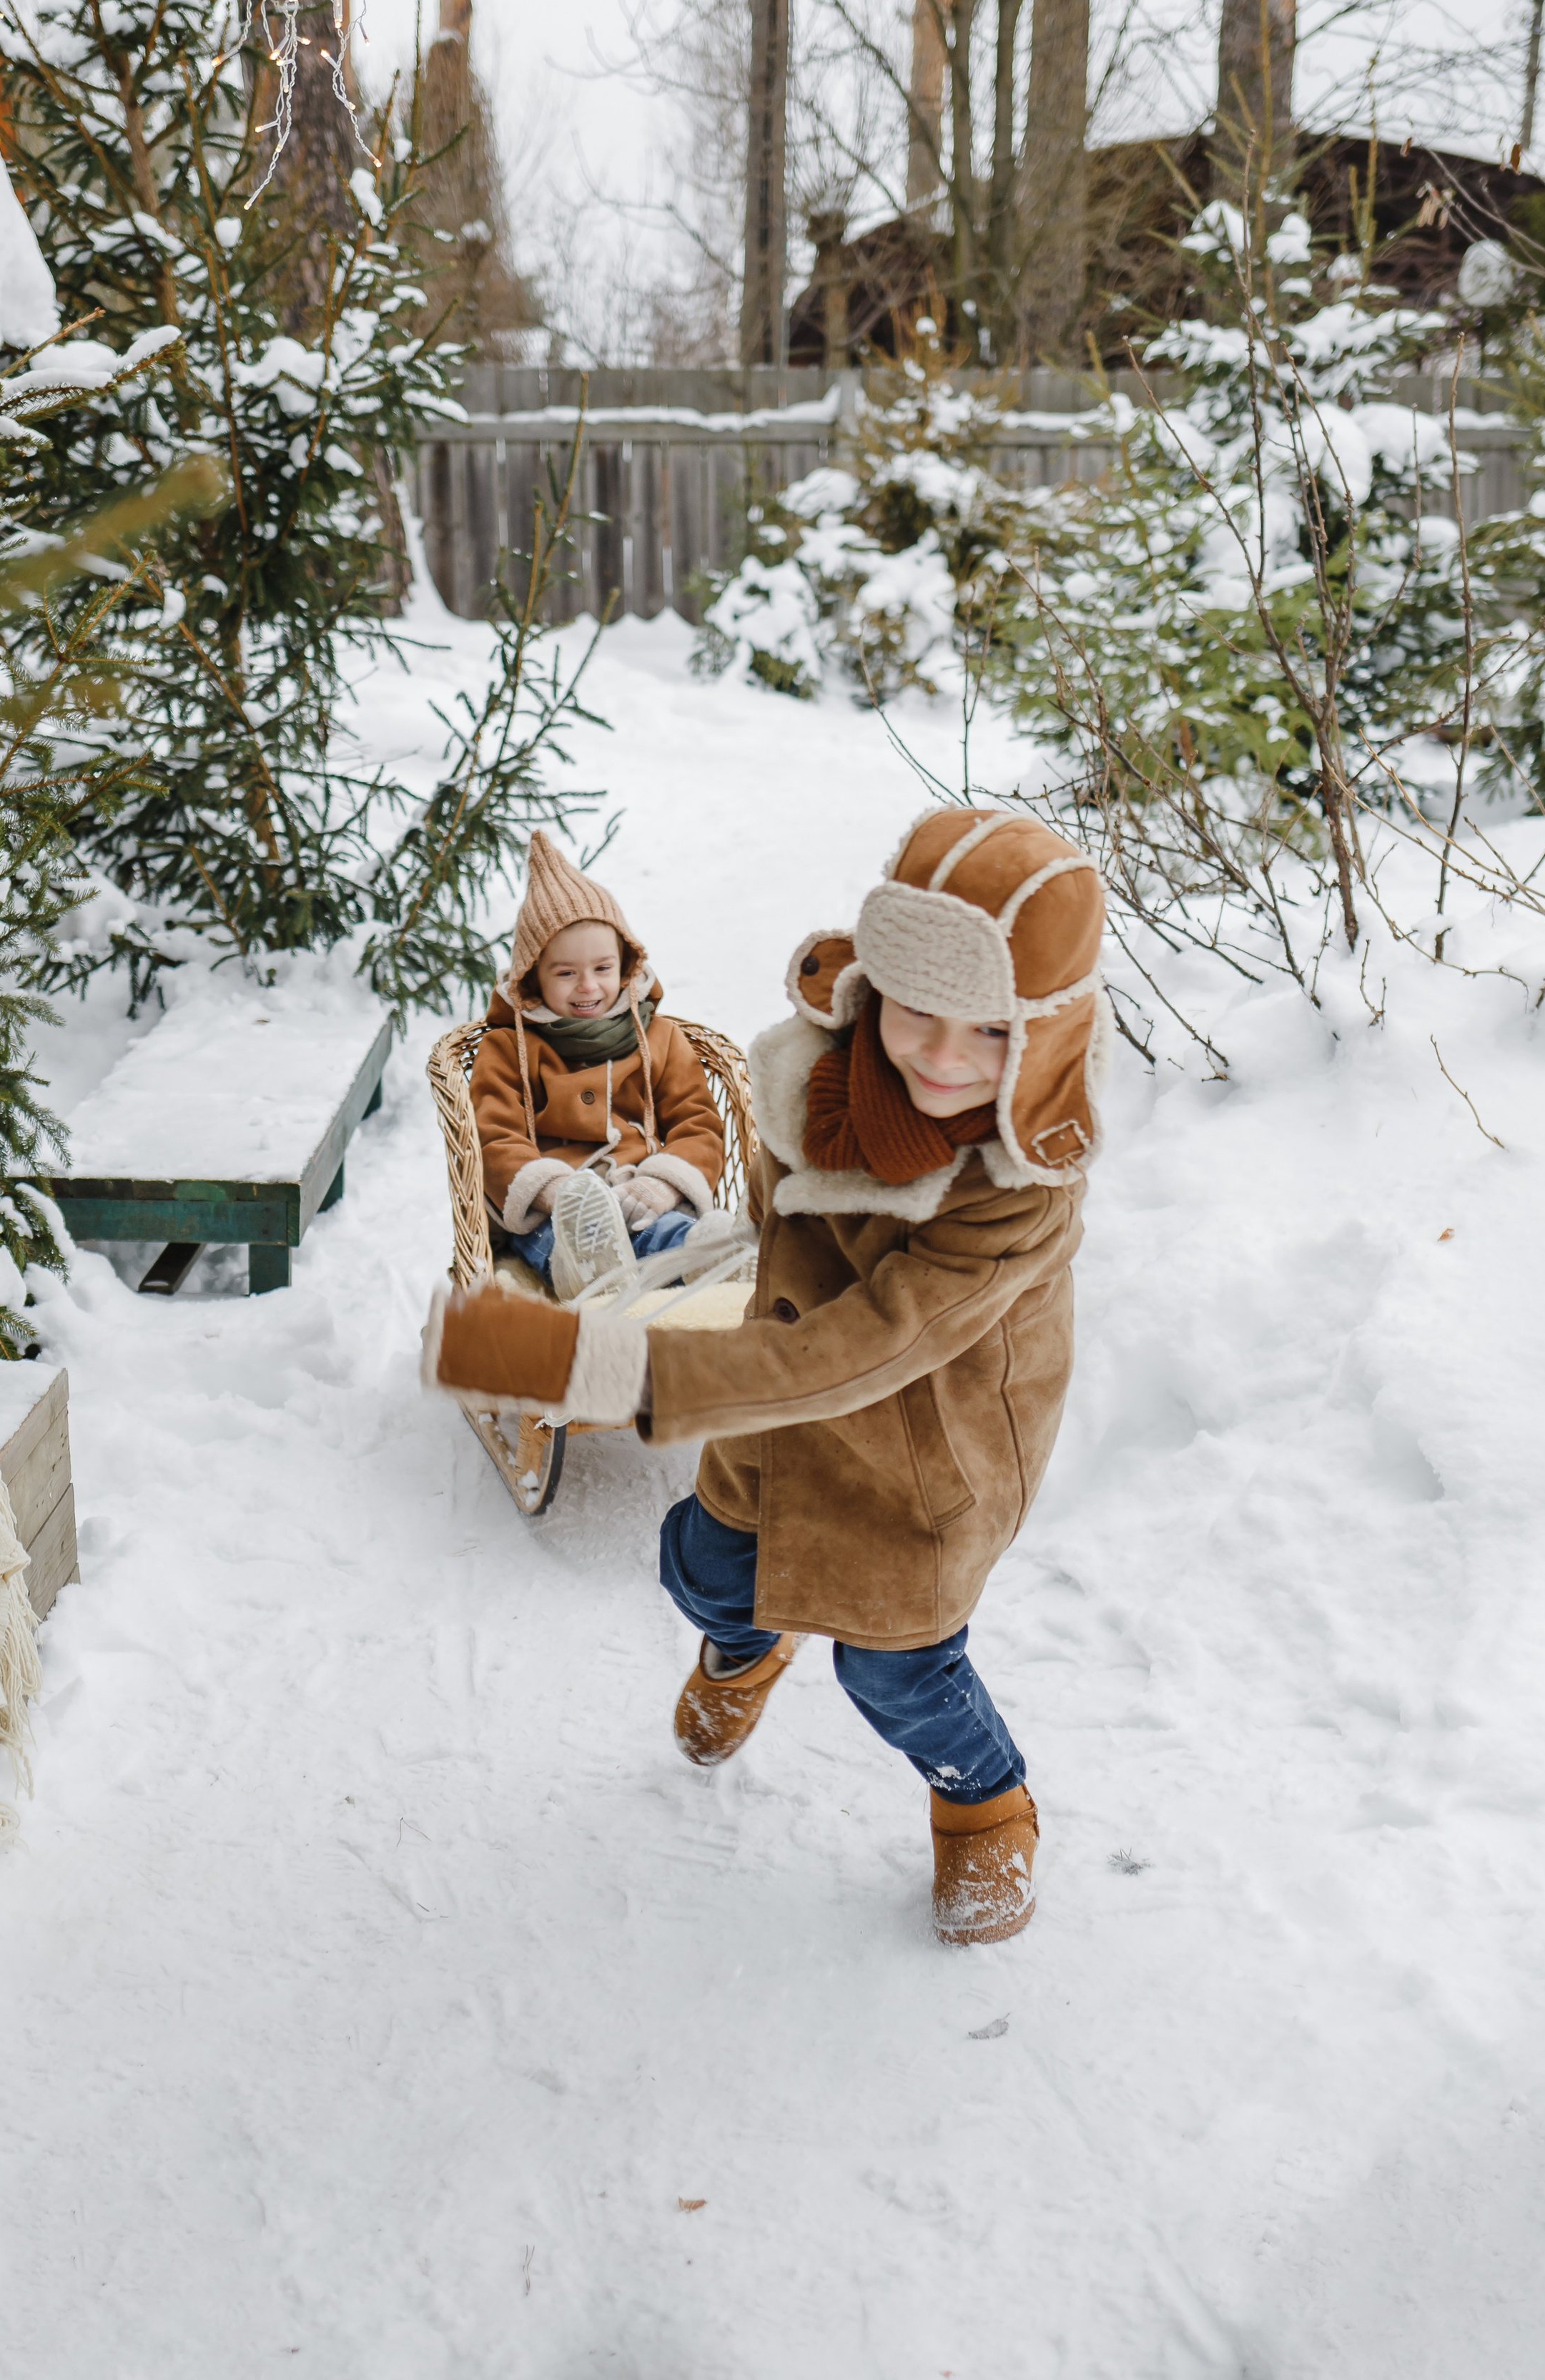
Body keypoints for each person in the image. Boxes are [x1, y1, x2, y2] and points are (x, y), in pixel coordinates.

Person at [427, 807, 1110, 1944]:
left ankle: (985, 1801)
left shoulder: (1017, 1193)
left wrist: (589, 1363)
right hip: (776, 1426)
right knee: (700, 1564)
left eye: (988, 1032)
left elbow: (859, 1350)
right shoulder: (809, 1081)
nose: (941, 1057)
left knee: (895, 1669)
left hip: (922, 1451)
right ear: (873, 981)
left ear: (1040, 1035)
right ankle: (749, 1640)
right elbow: (778, 1241)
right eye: (916, 1009)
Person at [468, 831, 728, 1302]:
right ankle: (582, 1271)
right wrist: (554, 1191)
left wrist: (662, 1182)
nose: (587, 986)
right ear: (533, 977)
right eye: (565, 973)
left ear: (625, 965)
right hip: (556, 1209)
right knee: (553, 1237)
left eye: (603, 969)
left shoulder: (659, 1037)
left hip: (636, 1190)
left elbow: (699, 1124)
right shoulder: (507, 1047)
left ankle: (706, 1258)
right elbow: (494, 1137)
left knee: (666, 1230)